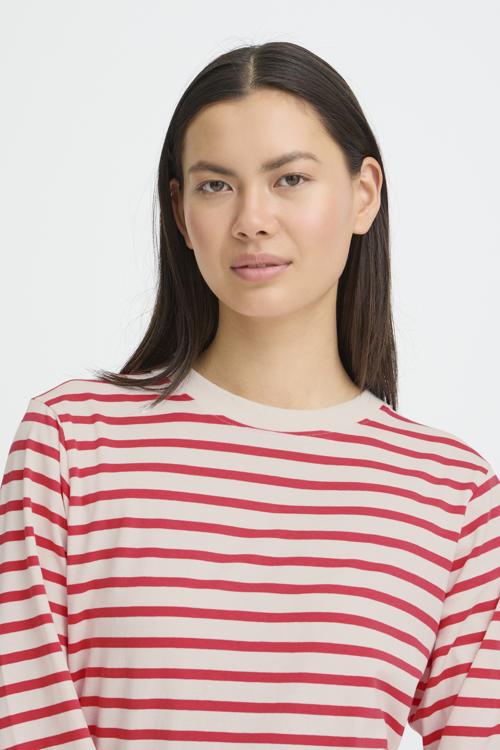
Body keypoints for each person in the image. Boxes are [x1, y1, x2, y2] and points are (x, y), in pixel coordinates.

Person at [1, 41, 498, 750]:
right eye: (215, 185)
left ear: (364, 194)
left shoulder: (454, 496)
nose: (252, 219)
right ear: (180, 211)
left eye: (290, 178)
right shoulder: (72, 445)